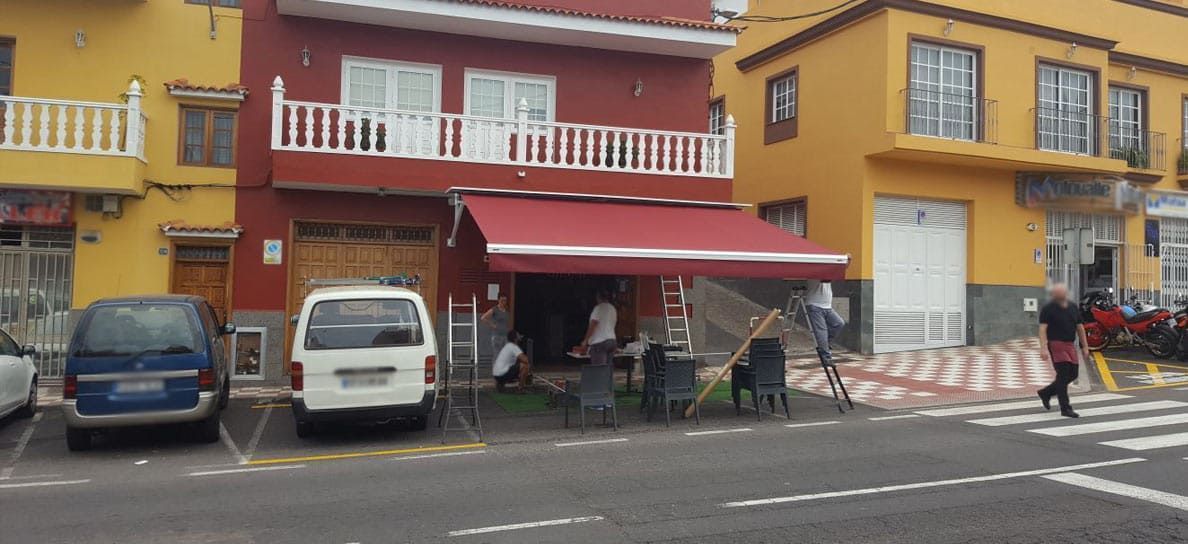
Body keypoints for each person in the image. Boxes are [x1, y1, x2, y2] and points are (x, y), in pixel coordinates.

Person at [1037, 283, 1090, 418]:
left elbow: (1080, 327)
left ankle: (1046, 392)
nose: (1059, 295)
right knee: (1063, 375)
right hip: (1056, 344)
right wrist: (1043, 347)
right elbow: (1042, 329)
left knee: (1073, 374)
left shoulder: (1073, 307)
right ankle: (1065, 408)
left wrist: (1085, 346)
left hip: (1070, 344)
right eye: (1057, 293)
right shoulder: (1048, 309)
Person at [805, 279, 845, 364]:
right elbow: (825, 279)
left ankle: (826, 346)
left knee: (839, 323)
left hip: (827, 306)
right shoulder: (819, 270)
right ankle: (826, 356)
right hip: (815, 305)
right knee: (822, 331)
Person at [581, 289, 618, 366]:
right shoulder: (612, 308)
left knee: (599, 368)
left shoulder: (598, 308)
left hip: (600, 342)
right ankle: (608, 378)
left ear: (598, 297)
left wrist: (586, 340)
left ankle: (600, 378)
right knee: (608, 368)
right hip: (612, 340)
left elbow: (593, 324)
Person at [481, 292, 511, 358]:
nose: (503, 302)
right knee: (497, 355)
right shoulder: (495, 309)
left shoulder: (506, 311)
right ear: (498, 300)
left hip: (505, 336)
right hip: (497, 336)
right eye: (502, 300)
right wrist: (492, 325)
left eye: (505, 301)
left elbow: (507, 323)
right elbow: (483, 318)